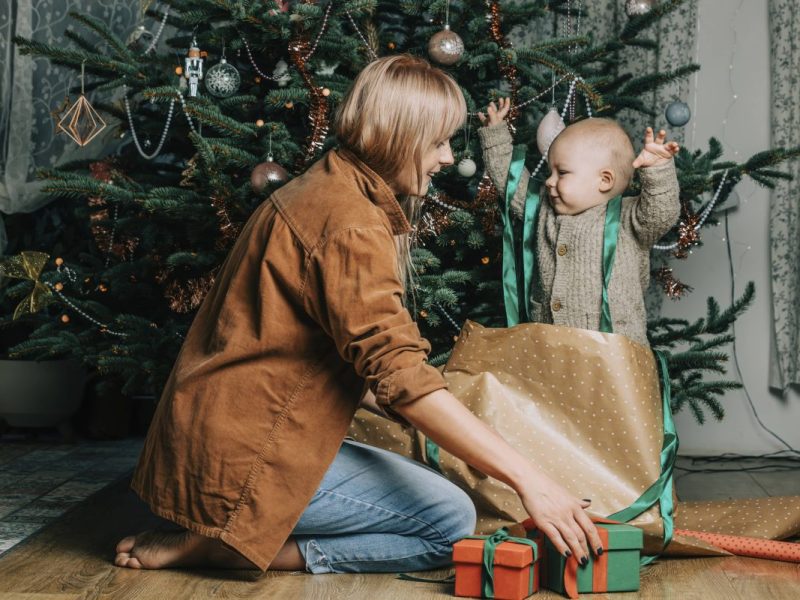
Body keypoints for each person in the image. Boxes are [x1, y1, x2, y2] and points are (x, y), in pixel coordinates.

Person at [115, 55, 601, 574]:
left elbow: (340, 365)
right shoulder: (350, 222)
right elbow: (397, 373)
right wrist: (532, 481)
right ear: (398, 136)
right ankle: (227, 545)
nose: (445, 158)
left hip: (208, 438)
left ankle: (226, 536)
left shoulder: (324, 185)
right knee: (449, 520)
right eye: (437, 142)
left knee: (440, 476)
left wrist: (454, 429)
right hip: (240, 457)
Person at [478, 98, 681, 346]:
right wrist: (495, 135)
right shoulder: (544, 208)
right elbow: (513, 183)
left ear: (604, 180)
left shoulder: (628, 218)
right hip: (551, 349)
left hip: (614, 354)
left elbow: (662, 212)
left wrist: (658, 170)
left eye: (561, 173)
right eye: (550, 172)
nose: (549, 182)